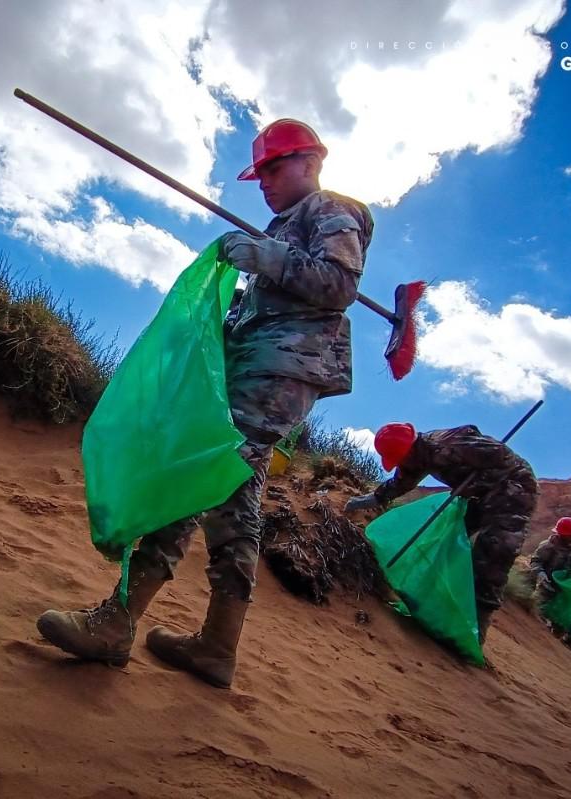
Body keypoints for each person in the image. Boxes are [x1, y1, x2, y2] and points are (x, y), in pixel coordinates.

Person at [37, 118, 374, 689]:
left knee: (198, 471)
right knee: (233, 499)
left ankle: (117, 622)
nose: (263, 182)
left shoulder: (334, 209)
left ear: (311, 162)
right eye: (259, 173)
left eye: (273, 168)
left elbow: (339, 284)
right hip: (260, 366)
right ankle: (218, 647)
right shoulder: (285, 225)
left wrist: (265, 257)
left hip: (279, 373)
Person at [344, 423, 538, 643]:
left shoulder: (449, 446)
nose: (401, 464)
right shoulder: (417, 455)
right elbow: (402, 481)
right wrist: (372, 499)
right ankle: (427, 598)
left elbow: (501, 455)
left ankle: (478, 625)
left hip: (513, 488)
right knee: (444, 537)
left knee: (494, 551)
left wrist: (477, 480)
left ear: (409, 451)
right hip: (477, 493)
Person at [529, 517, 571, 600]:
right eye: (564, 534)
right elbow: (536, 562)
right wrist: (540, 574)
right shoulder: (547, 547)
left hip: (568, 590)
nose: (567, 537)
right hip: (546, 585)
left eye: (570, 534)